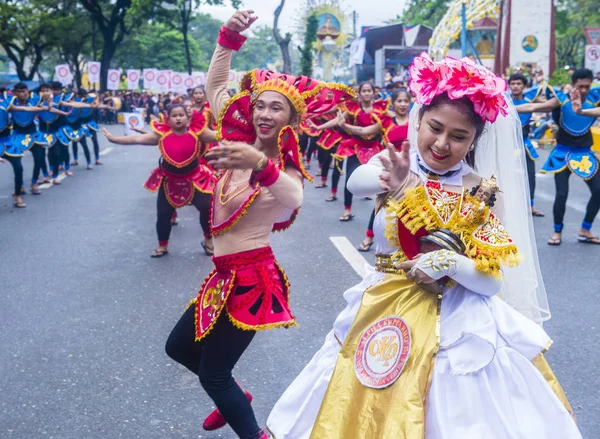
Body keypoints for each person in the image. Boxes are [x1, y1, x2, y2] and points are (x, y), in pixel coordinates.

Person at [267, 53, 578, 439]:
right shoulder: (393, 164)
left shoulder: (479, 190)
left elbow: (490, 282)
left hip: (455, 319)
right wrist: (399, 182)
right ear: (418, 120)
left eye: (459, 136)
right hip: (381, 310)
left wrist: (449, 261)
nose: (443, 143)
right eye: (435, 128)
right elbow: (357, 183)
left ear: (474, 140)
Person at [163, 10, 353, 439]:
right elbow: (215, 86)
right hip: (223, 274)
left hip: (252, 279)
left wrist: (260, 165)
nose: (266, 113)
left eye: (277, 108)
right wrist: (228, 37)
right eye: (260, 105)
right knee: (179, 348)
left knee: (213, 373)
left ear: (290, 118)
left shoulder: (284, 169)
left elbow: (295, 199)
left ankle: (256, 433)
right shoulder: (236, 141)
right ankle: (237, 398)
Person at [103, 103, 216, 257]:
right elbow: (137, 139)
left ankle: (208, 241)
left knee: (206, 207)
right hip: (169, 181)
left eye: (181, 115)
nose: (178, 119)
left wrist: (245, 133)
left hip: (195, 179)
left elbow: (219, 135)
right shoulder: (161, 135)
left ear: (187, 117)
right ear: (168, 119)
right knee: (163, 214)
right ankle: (162, 245)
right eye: (174, 116)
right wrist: (114, 139)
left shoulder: (198, 133)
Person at [517, 68, 600, 245]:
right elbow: (534, 106)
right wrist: (509, 107)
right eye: (580, 86)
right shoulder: (561, 99)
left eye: (587, 86)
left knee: (598, 191)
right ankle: (557, 232)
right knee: (562, 194)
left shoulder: (594, 99)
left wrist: (582, 112)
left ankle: (585, 229)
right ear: (573, 85)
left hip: (585, 154)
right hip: (562, 153)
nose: (584, 90)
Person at [311, 82, 389, 221]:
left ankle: (379, 215)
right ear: (359, 93)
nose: (366, 93)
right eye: (363, 91)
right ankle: (347, 209)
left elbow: (395, 118)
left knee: (382, 182)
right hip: (356, 147)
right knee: (349, 179)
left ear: (373, 92)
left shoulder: (380, 108)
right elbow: (336, 121)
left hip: (375, 148)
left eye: (368, 91)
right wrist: (318, 128)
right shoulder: (354, 108)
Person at [358, 88, 410, 252]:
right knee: (382, 203)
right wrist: (345, 126)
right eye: (399, 101)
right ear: (393, 103)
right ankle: (369, 236)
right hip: (390, 169)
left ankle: (406, 245)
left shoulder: (417, 122)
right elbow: (365, 131)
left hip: (411, 169)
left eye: (406, 101)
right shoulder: (386, 121)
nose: (403, 104)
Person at [509, 72, 544, 216]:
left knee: (530, 176)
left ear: (524, 86)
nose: (516, 86)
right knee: (505, 173)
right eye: (513, 84)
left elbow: (551, 104)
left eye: (519, 84)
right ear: (509, 85)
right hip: (507, 145)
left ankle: (530, 205)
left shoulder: (530, 101)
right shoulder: (504, 101)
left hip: (525, 143)